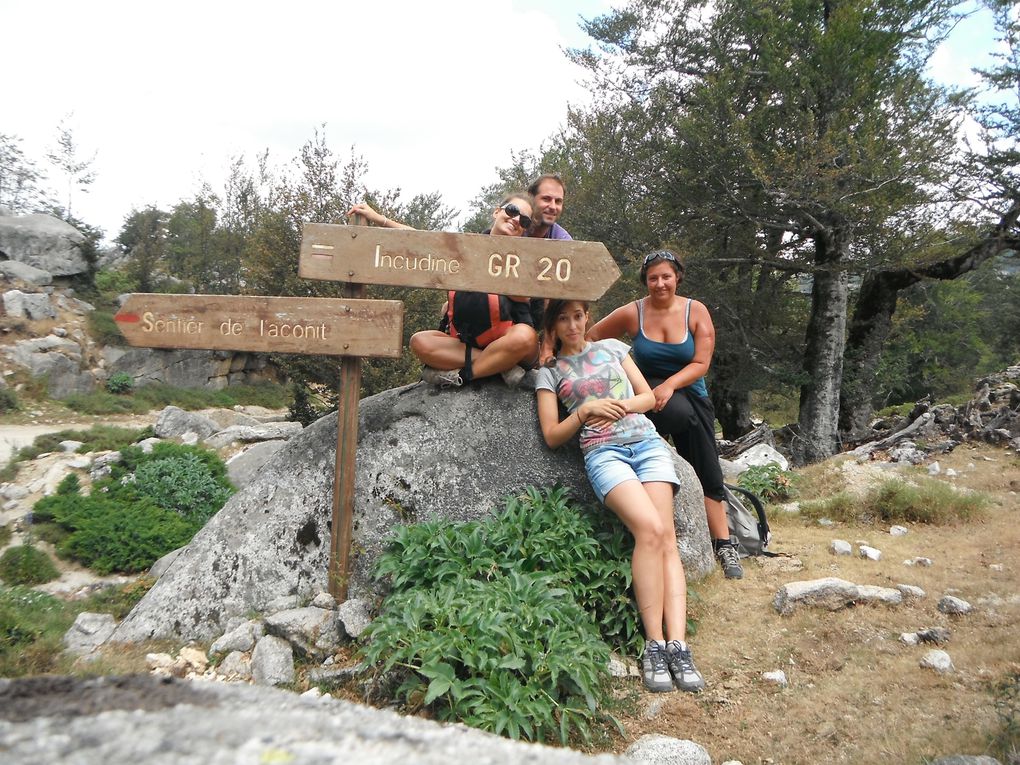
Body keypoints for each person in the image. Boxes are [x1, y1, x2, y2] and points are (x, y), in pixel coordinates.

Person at [534, 298, 705, 694]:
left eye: (578, 316)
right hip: (603, 452)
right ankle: (654, 645)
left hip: (646, 443)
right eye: (563, 319)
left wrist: (623, 405)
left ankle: (678, 646)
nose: (573, 325)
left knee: (666, 538)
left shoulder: (612, 348)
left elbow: (649, 398)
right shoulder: (549, 373)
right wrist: (583, 412)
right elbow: (551, 436)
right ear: (553, 327)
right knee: (649, 530)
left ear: (587, 317)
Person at [587, 249, 743, 579]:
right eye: (653, 278)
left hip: (689, 393)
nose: (660, 284)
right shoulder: (633, 313)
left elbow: (701, 363)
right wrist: (606, 376)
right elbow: (591, 337)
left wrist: (670, 385)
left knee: (707, 469)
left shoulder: (695, 311)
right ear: (645, 281)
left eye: (666, 277)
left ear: (678, 277)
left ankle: (724, 544)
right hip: (645, 397)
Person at [347, 195, 538, 388]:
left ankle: (464, 376)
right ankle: (502, 365)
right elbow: (422, 241)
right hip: (467, 345)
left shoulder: (525, 263)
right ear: (497, 211)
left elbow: (523, 297)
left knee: (524, 336)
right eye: (512, 211)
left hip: (511, 342)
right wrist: (380, 219)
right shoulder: (464, 250)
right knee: (420, 341)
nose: (516, 220)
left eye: (524, 220)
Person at [524, 174, 572, 241]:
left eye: (558, 201)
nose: (553, 207)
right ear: (530, 198)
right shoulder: (513, 227)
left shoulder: (563, 240)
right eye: (546, 199)